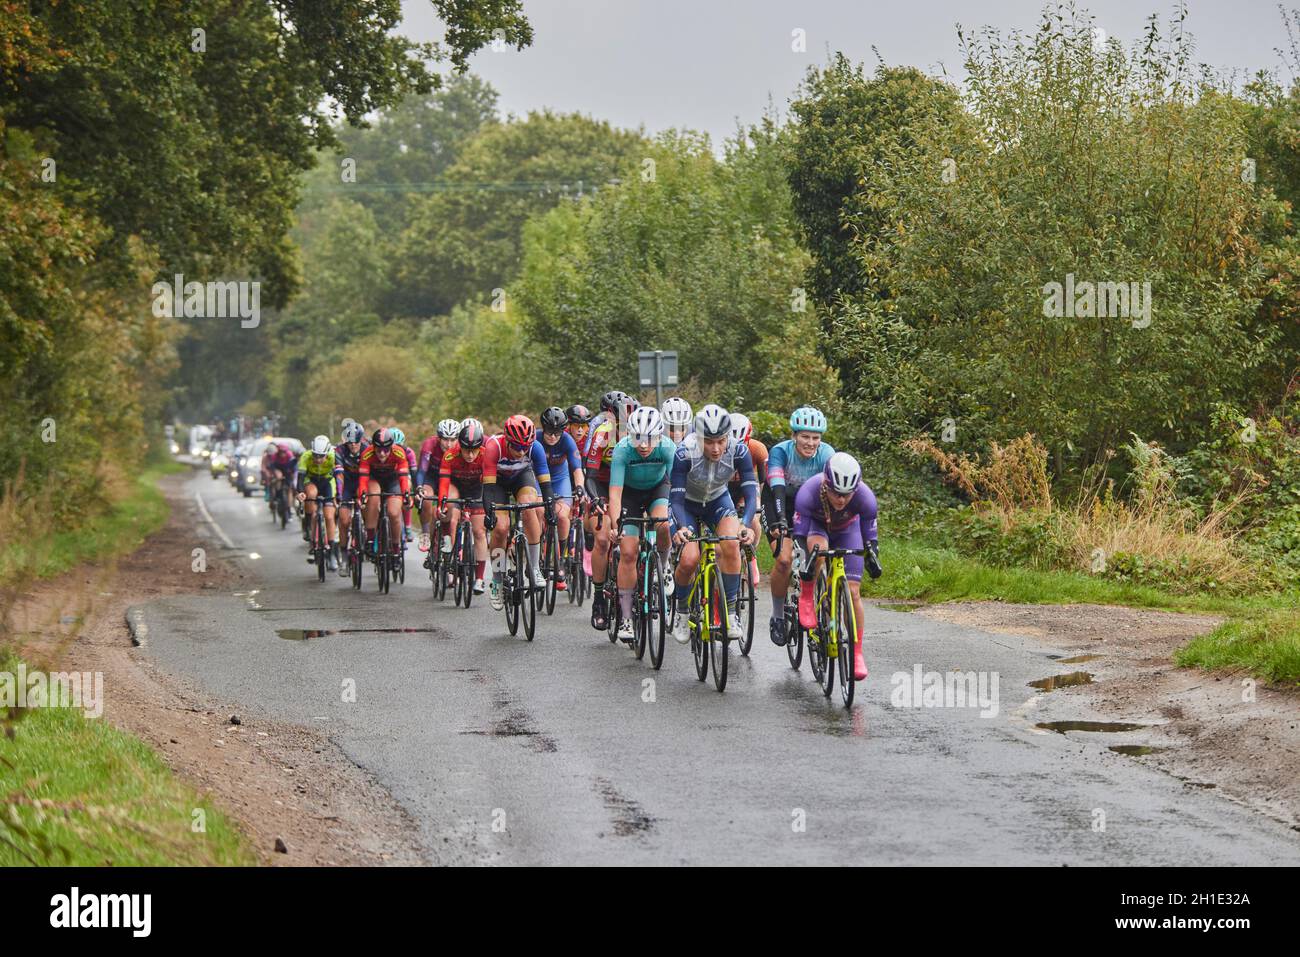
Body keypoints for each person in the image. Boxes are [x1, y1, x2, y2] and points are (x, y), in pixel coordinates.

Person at [668, 404, 757, 643]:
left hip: (718, 499)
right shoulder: (684, 453)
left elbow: (750, 493)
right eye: (709, 442)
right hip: (686, 503)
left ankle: (730, 613)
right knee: (689, 559)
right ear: (698, 437)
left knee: (730, 544)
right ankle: (682, 611)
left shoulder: (739, 451)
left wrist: (745, 524)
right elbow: (675, 499)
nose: (716, 448)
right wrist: (680, 527)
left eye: (721, 441)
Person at [792, 452, 882, 681]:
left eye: (847, 494)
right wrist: (806, 566)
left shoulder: (866, 498)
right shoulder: (808, 492)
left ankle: (857, 652)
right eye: (835, 493)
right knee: (817, 552)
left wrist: (872, 557)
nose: (841, 500)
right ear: (826, 483)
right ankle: (808, 596)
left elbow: (870, 539)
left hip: (847, 531)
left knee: (852, 592)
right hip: (817, 527)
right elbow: (800, 539)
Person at [764, 406, 835, 646]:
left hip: (810, 507)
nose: (811, 443)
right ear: (794, 436)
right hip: (779, 501)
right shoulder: (780, 452)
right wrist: (781, 521)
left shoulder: (827, 454)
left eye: (816, 437)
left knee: (818, 558)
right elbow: (776, 488)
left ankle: (819, 617)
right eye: (805, 436)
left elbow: (832, 493)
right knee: (784, 560)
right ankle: (777, 616)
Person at [605, 406, 675, 643]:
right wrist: (616, 526)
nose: (643, 445)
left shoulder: (668, 448)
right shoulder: (622, 451)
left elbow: (677, 488)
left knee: (663, 524)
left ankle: (663, 568)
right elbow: (615, 494)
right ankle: (626, 617)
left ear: (659, 435)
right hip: (630, 496)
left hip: (658, 488)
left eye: (649, 439)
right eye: (638, 438)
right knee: (628, 552)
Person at [481, 415, 556, 611]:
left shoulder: (535, 448)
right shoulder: (493, 447)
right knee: (500, 528)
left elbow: (545, 484)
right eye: (516, 446)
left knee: (529, 507)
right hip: (496, 483)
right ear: (507, 439)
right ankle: (497, 581)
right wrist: (489, 513)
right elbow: (488, 489)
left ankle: (534, 568)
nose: (521, 451)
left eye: (525, 447)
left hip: (521, 478)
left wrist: (550, 509)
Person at [437, 418, 489, 595]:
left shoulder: (486, 454)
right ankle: (449, 541)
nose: (470, 455)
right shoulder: (450, 455)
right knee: (450, 508)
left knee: (479, 532)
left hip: (477, 489)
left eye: (474, 450)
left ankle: (480, 578)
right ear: (460, 445)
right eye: (466, 450)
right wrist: (442, 504)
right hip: (456, 486)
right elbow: (444, 483)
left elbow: (490, 483)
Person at [539, 406, 584, 592]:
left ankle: (561, 557)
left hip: (560, 479)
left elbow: (576, 469)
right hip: (538, 479)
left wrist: (580, 487)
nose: (552, 437)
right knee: (539, 512)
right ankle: (540, 547)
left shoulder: (567, 440)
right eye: (549, 432)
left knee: (564, 516)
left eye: (557, 433)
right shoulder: (535, 438)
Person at [358, 427, 410, 555]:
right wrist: (362, 496)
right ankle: (370, 538)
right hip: (374, 480)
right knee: (373, 497)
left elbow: (403, 478)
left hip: (393, 481)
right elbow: (363, 479)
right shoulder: (367, 454)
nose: (382, 454)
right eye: (378, 450)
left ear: (391, 447)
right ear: (373, 447)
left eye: (386, 450)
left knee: (394, 513)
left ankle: (396, 548)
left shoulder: (399, 453)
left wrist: (407, 496)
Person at [418, 418, 462, 557]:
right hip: (431, 478)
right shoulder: (429, 445)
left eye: (452, 439)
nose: (448, 444)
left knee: (449, 502)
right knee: (425, 499)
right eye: (445, 439)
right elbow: (421, 470)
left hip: (449, 480)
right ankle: (425, 533)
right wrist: (419, 488)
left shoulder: (461, 448)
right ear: (438, 437)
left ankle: (446, 535)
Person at [296, 435, 339, 570]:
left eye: (321, 456)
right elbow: (300, 477)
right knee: (311, 496)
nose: (318, 459)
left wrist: (338, 496)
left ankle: (331, 553)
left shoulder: (334, 456)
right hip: (311, 480)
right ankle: (309, 526)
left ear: (327, 453)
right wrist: (300, 492)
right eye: (315, 455)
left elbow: (339, 477)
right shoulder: (306, 456)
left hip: (328, 482)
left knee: (329, 516)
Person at [333, 423, 367, 576]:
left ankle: (368, 538)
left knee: (369, 508)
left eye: (356, 442)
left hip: (362, 482)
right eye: (350, 442)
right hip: (346, 484)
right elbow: (339, 475)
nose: (353, 445)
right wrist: (340, 496)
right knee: (344, 521)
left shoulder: (367, 449)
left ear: (361, 440)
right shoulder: (340, 450)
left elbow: (369, 475)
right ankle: (344, 556)